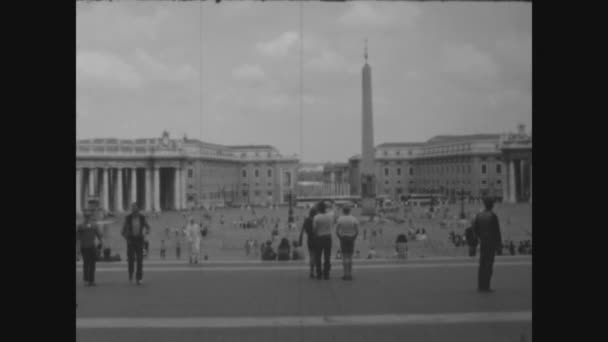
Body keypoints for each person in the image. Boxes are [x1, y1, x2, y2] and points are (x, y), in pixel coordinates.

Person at [472, 197, 502, 293]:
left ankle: (480, 286)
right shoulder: (493, 216)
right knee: (489, 265)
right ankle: (486, 286)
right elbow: (497, 232)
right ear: (491, 205)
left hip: (483, 242)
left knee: (482, 264)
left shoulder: (479, 215)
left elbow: (475, 229)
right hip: (491, 243)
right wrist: (499, 246)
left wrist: (480, 237)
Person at [121, 203, 151, 285]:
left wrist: (145, 234)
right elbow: (122, 231)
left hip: (139, 240)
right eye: (133, 209)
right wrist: (127, 238)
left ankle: (139, 278)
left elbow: (148, 227)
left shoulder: (142, 218)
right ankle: (131, 273)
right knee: (130, 259)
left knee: (140, 259)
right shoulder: (128, 218)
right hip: (131, 240)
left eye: (136, 209)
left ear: (138, 210)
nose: (134, 211)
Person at [77, 208, 102, 286]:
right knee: (86, 264)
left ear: (90, 216)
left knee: (92, 264)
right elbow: (78, 238)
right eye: (86, 216)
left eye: (88, 216)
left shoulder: (94, 225)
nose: (87, 217)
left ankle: (91, 280)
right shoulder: (80, 226)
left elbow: (99, 234)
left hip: (92, 246)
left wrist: (101, 241)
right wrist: (77, 249)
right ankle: (86, 280)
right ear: (84, 217)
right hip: (84, 247)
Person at [335, 206, 359, 280]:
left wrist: (340, 237)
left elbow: (337, 231)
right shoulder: (353, 218)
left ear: (343, 211)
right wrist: (354, 238)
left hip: (343, 238)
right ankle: (350, 274)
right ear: (349, 211)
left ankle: (345, 274)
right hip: (351, 238)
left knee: (344, 257)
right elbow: (357, 231)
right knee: (350, 257)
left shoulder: (340, 219)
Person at [313, 201, 334, 279]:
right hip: (328, 237)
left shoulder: (316, 217)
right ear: (325, 208)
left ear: (318, 208)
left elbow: (314, 229)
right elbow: (331, 225)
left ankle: (319, 273)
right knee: (327, 256)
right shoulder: (330, 216)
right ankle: (326, 273)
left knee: (318, 256)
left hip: (319, 237)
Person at [298, 207, 318, 278]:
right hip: (317, 239)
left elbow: (304, 230)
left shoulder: (307, 220)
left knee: (311, 255)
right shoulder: (316, 219)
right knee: (316, 256)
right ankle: (316, 271)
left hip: (310, 239)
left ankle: (311, 271)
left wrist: (300, 240)